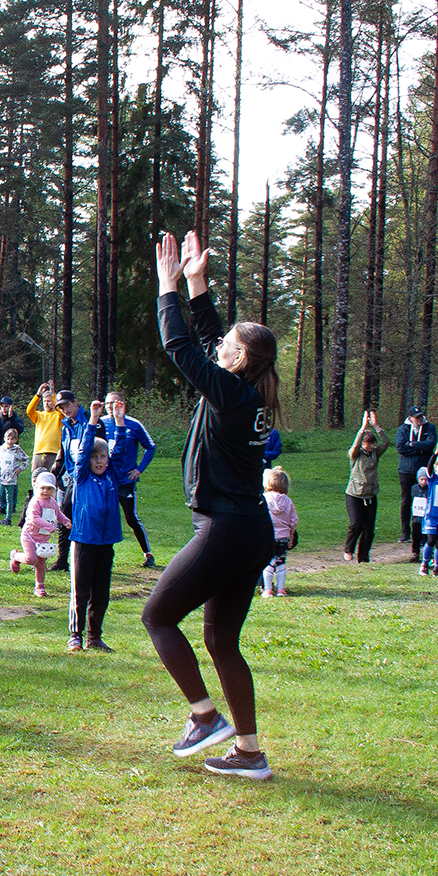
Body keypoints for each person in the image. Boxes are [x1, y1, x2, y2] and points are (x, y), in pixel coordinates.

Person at [145, 230, 279, 782]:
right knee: (222, 640)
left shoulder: (228, 391)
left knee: (157, 616)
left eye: (228, 340)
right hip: (252, 532)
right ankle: (249, 752)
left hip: (226, 530)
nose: (218, 340)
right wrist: (198, 285)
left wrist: (167, 289)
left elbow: (182, 348)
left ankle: (204, 717)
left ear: (239, 356)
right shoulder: (246, 391)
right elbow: (207, 339)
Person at [65, 427, 122, 651]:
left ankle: (94, 637)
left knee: (101, 593)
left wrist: (119, 422)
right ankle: (75, 636)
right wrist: (94, 422)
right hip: (84, 542)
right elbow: (84, 450)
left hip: (106, 543)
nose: (99, 461)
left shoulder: (111, 475)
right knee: (81, 591)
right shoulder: (82, 477)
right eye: (94, 457)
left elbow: (121, 453)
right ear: (86, 460)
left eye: (103, 457)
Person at [101, 391, 157, 568]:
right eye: (108, 403)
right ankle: (103, 555)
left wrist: (139, 469)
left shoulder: (133, 424)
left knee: (131, 518)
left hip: (125, 481)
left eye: (114, 403)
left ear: (122, 404)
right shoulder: (100, 423)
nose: (110, 407)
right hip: (105, 480)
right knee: (103, 516)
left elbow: (151, 447)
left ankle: (148, 554)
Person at [7, 470, 65, 597]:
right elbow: (34, 518)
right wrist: (49, 526)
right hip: (30, 536)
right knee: (31, 559)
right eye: (42, 488)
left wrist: (65, 521)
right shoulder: (35, 502)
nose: (45, 491)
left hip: (43, 537)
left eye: (49, 489)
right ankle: (16, 556)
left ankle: (39, 586)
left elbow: (58, 513)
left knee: (40, 562)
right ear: (36, 487)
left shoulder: (52, 502)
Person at [343, 412, 386, 563]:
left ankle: (363, 557)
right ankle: (348, 549)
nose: (371, 446)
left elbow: (386, 442)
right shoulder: (355, 454)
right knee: (356, 523)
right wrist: (363, 428)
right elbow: (355, 446)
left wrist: (375, 426)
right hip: (354, 494)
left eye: (372, 443)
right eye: (368, 443)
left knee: (369, 529)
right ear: (363, 443)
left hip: (371, 495)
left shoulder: (375, 453)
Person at [394, 407, 438, 544]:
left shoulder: (429, 427)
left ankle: (423, 533)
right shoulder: (403, 429)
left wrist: (412, 444)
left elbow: (430, 444)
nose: (419, 419)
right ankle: (405, 532)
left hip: (424, 469)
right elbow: (400, 448)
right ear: (410, 417)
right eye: (416, 417)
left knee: (425, 500)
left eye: (420, 416)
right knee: (406, 501)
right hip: (406, 470)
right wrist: (420, 450)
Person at [261, 468, 297, 597]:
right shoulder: (288, 501)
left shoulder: (264, 499)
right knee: (281, 562)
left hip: (268, 536)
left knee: (268, 563)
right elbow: (293, 520)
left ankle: (267, 589)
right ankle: (281, 589)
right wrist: (291, 533)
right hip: (284, 537)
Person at [0, 428, 29, 525]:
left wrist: (20, 468)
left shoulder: (17, 450)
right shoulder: (0, 449)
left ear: (16, 440)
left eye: (12, 439)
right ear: (4, 438)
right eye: (8, 439)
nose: (10, 441)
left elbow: (26, 459)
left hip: (12, 477)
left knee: (9, 498)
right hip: (2, 476)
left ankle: (8, 518)